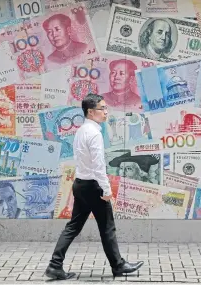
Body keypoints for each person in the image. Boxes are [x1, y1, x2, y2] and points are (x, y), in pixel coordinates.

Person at [45, 94, 143, 280]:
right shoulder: (95, 134)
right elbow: (99, 166)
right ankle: (119, 266)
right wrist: (106, 190)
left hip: (80, 184)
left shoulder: (81, 131)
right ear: (90, 112)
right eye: (102, 109)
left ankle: (54, 265)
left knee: (73, 227)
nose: (106, 112)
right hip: (93, 186)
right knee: (107, 228)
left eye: (106, 108)